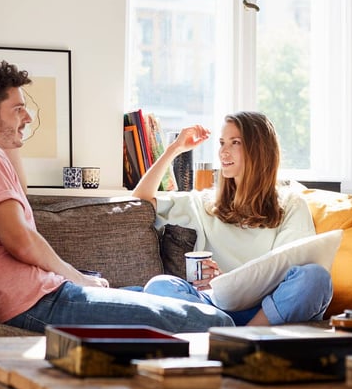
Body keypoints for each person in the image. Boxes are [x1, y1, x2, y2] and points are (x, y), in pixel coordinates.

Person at [0, 59, 233, 334]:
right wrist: (75, 278)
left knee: (162, 294)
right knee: (215, 322)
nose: (28, 117)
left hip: (39, 295)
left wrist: (12, 130)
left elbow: (20, 194)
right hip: (36, 301)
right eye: (18, 108)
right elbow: (20, 240)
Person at [132, 111, 332, 326]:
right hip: (213, 307)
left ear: (260, 151)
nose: (223, 152)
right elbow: (141, 202)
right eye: (221, 143)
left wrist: (227, 279)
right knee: (160, 285)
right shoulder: (204, 203)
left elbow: (284, 272)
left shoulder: (291, 204)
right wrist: (174, 150)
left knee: (315, 277)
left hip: (267, 308)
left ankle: (243, 333)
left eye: (234, 142)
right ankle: (227, 331)